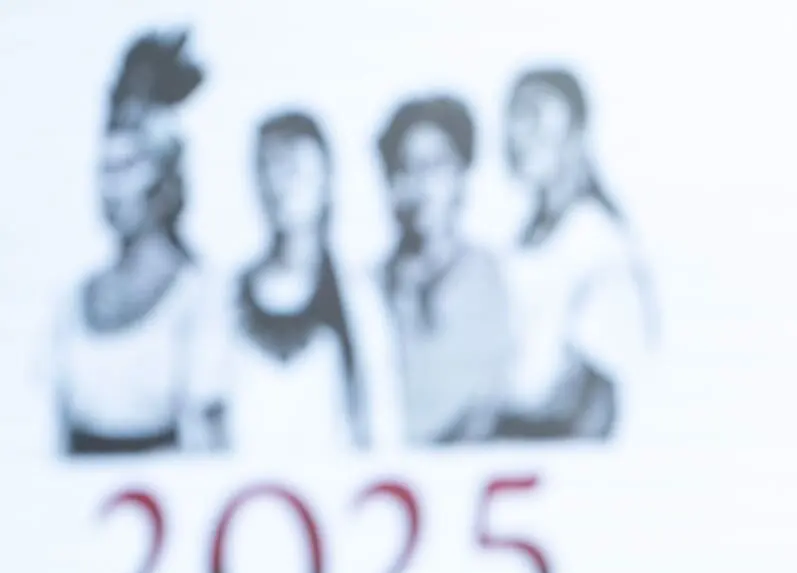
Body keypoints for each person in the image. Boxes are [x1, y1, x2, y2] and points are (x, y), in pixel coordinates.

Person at [187, 110, 399, 453]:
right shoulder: (224, 295)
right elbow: (200, 410)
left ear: (327, 179)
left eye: (294, 168)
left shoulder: (357, 297)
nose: (280, 184)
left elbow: (380, 420)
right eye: (268, 166)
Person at [53, 29, 212, 456]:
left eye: (128, 166)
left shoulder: (199, 296)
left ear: (162, 172)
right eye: (105, 169)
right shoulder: (73, 302)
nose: (112, 187)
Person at [495, 66, 654, 441]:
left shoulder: (595, 238)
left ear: (576, 132)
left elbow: (599, 390)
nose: (518, 135)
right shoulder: (524, 240)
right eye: (513, 118)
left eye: (534, 116)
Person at [375, 94, 514, 446]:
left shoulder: (496, 278)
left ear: (462, 174)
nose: (420, 183)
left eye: (434, 165)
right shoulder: (370, 289)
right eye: (406, 166)